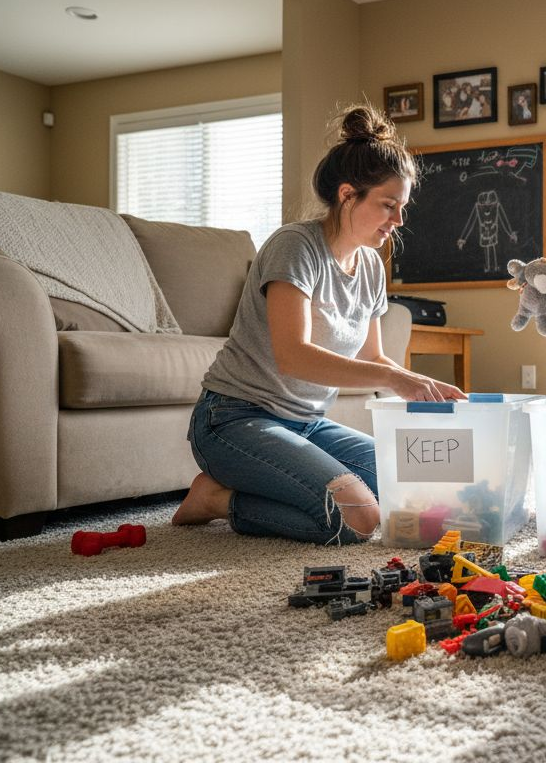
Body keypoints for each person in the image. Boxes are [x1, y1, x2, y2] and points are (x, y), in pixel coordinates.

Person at [171, 104, 466, 543]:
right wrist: (394, 378)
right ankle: (217, 499)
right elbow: (294, 357)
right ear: (348, 195)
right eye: (388, 205)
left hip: (307, 423)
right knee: (359, 519)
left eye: (402, 207)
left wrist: (424, 387)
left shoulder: (370, 266)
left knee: (414, 487)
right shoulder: (295, 247)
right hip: (234, 419)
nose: (399, 221)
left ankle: (283, 484)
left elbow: (373, 357)